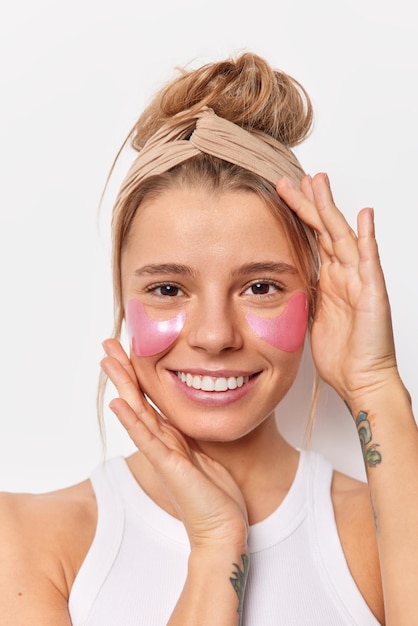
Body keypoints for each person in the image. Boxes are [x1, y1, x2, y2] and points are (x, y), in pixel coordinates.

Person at [0, 52, 417, 626]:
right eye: (169, 289)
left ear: (316, 298)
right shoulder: (27, 539)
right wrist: (216, 548)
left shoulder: (379, 534)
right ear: (124, 299)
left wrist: (374, 384)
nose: (216, 335)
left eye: (261, 286)